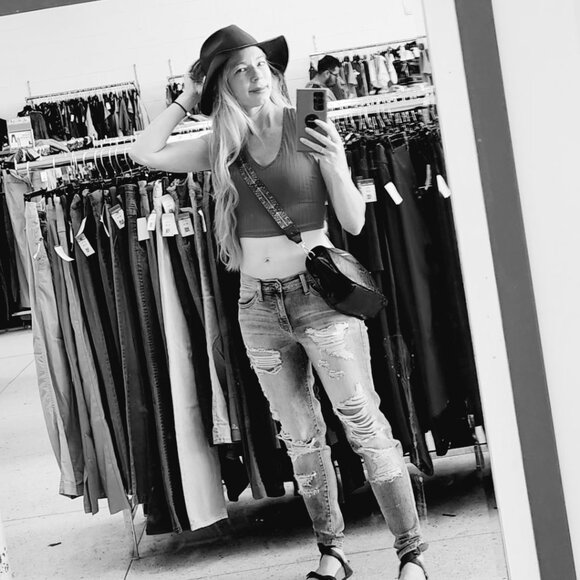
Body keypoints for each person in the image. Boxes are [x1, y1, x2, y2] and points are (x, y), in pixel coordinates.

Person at [130, 24, 428, 580]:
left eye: (260, 65)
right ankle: (332, 552)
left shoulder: (306, 120)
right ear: (223, 85)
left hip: (319, 299)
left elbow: (354, 222)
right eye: (239, 70)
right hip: (258, 307)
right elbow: (144, 152)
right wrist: (188, 98)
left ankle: (410, 555)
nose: (255, 76)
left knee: (363, 424)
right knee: (300, 437)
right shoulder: (222, 145)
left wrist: (334, 162)